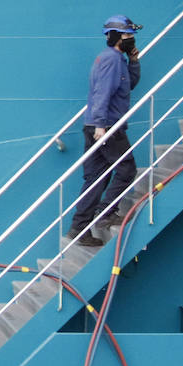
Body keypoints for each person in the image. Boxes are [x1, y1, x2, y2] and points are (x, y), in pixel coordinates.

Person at [69, 14, 142, 247]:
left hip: (97, 125)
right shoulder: (111, 59)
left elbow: (127, 86)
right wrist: (101, 125)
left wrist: (134, 61)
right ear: (115, 37)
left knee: (96, 179)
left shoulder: (116, 58)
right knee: (127, 168)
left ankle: (79, 229)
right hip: (106, 126)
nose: (132, 38)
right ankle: (106, 213)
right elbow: (103, 92)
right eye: (128, 35)